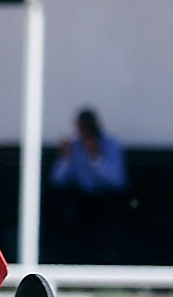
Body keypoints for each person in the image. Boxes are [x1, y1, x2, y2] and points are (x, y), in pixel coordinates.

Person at [47, 107, 127, 257]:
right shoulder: (74, 146)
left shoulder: (111, 145)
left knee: (110, 211)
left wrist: (95, 157)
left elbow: (117, 181)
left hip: (106, 199)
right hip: (80, 200)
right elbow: (58, 179)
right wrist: (66, 157)